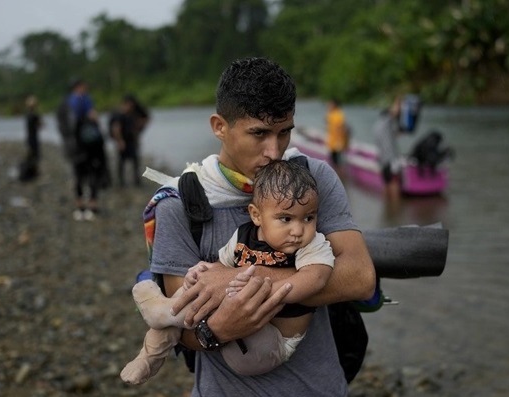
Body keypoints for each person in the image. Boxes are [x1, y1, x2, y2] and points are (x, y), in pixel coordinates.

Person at [138, 57, 375, 396]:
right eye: (259, 133)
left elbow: (360, 277)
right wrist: (216, 329)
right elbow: (181, 324)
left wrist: (233, 280)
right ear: (220, 126)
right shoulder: (180, 205)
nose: (274, 151)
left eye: (284, 132)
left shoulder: (313, 179)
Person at [121, 159, 335, 384]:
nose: (298, 230)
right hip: (238, 327)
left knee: (216, 301)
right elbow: (221, 270)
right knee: (201, 292)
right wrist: (203, 271)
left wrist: (262, 290)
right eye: (286, 219)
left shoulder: (312, 245)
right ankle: (149, 356)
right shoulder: (243, 235)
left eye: (309, 217)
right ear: (256, 215)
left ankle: (164, 311)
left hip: (272, 345)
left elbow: (316, 278)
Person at [68, 79, 105, 221]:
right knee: (90, 173)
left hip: (76, 147)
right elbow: (93, 116)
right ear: (79, 87)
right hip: (86, 146)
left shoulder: (69, 102)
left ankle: (81, 206)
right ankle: (89, 205)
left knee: (81, 175)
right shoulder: (83, 100)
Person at [109, 94, 150, 187]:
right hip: (123, 141)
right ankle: (121, 182)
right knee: (121, 162)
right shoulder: (119, 114)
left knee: (135, 161)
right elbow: (116, 129)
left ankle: (136, 180)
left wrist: (140, 129)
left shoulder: (131, 114)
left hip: (132, 140)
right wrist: (120, 141)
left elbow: (143, 120)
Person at [373, 97, 404, 201]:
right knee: (394, 183)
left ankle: (387, 208)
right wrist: (398, 102)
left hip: (382, 160)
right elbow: (394, 111)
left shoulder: (377, 126)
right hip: (392, 160)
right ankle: (395, 209)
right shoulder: (387, 122)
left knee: (386, 183)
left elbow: (395, 134)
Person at [325, 99, 349, 179]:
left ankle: (341, 179)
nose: (328, 106)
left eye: (330, 104)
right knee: (334, 162)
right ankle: (338, 177)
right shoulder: (330, 114)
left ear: (334, 105)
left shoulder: (339, 115)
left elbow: (344, 129)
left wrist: (345, 143)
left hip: (338, 143)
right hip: (332, 143)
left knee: (339, 163)